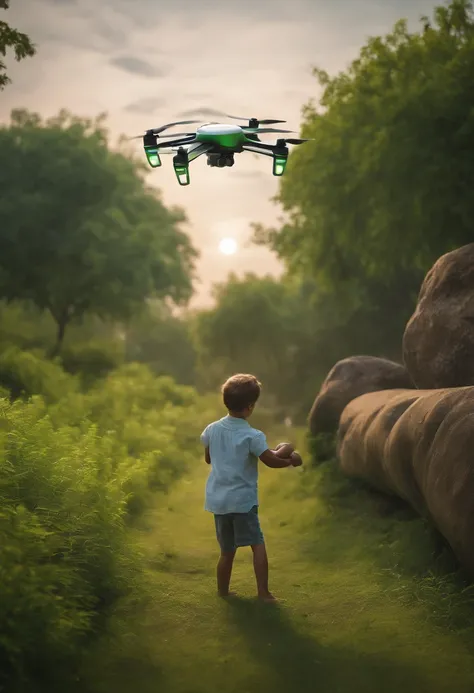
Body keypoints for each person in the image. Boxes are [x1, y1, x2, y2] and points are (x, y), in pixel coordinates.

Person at [200, 373, 303, 603]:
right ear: (250, 407)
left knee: (227, 551)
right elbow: (270, 460)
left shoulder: (211, 430)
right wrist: (288, 459)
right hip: (242, 501)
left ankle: (223, 592)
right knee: (257, 544)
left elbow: (208, 458)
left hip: (219, 501)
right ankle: (264, 593)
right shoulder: (252, 435)